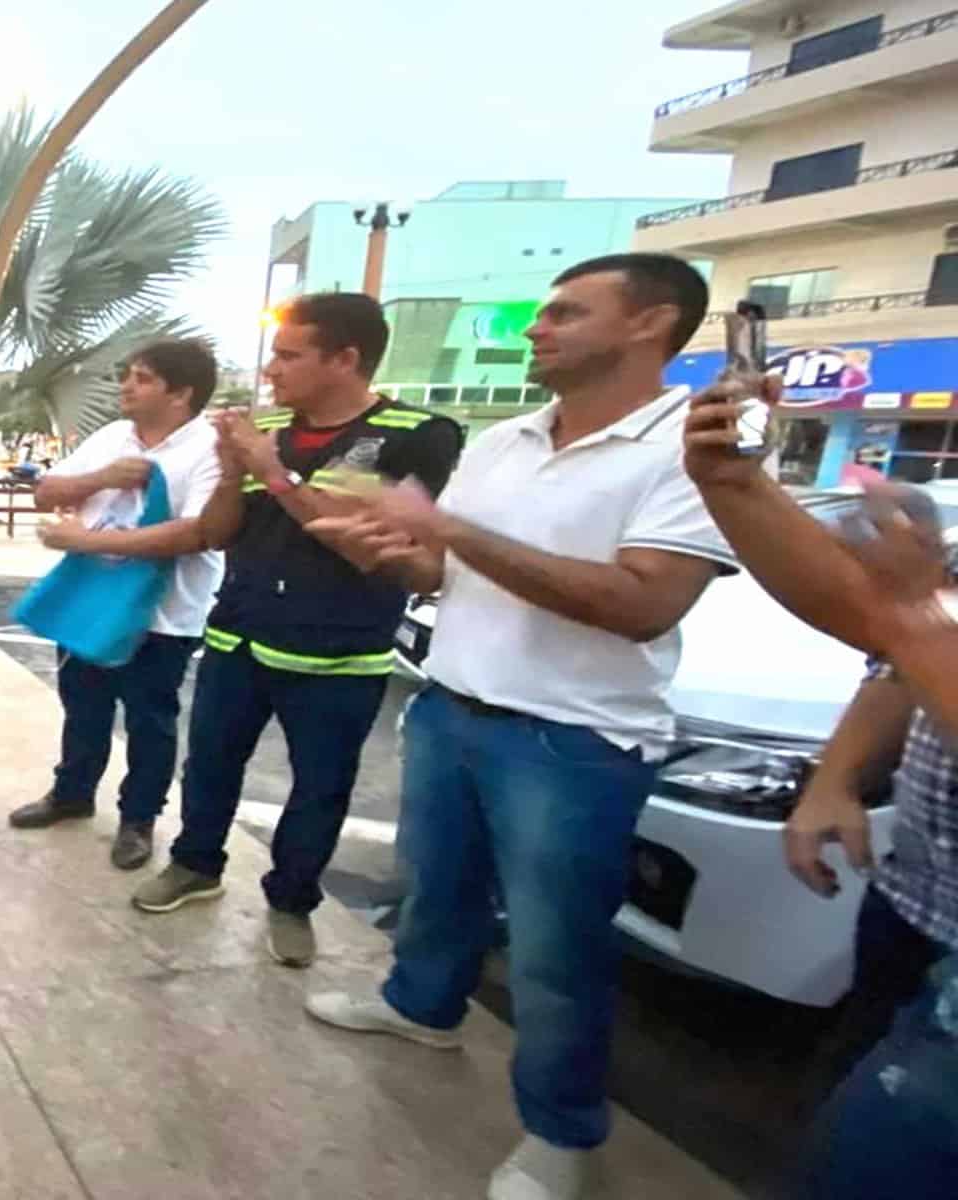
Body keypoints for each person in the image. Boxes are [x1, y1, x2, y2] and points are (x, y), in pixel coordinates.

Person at [297, 254, 739, 1200]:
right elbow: (443, 575)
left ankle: (562, 1132)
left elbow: (642, 605)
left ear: (651, 326)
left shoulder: (693, 448)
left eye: (567, 313)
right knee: (436, 896)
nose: (535, 329)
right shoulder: (506, 442)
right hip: (453, 707)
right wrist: (387, 550)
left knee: (554, 956)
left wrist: (450, 537)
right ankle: (421, 1007)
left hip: (573, 742)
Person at [130, 296, 464, 969]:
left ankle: (291, 902)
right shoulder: (267, 429)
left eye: (288, 355)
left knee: (320, 785)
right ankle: (196, 865)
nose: (271, 370)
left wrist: (270, 469)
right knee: (211, 766)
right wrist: (233, 472)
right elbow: (220, 531)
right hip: (239, 636)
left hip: (339, 652)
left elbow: (348, 535)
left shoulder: (415, 433)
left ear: (344, 359)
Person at [681, 390, 958, 1197]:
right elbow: (901, 649)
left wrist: (908, 608)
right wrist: (735, 484)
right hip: (916, 899)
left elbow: (908, 625)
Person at [6, 339, 225, 869]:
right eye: (127, 374)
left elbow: (196, 533)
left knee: (150, 721)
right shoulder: (111, 437)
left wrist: (88, 543)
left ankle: (138, 819)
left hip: (164, 615)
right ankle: (72, 794)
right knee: (83, 708)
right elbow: (46, 493)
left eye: (143, 378)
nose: (126, 386)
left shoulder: (210, 450)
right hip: (90, 602)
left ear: (182, 394)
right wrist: (102, 478)